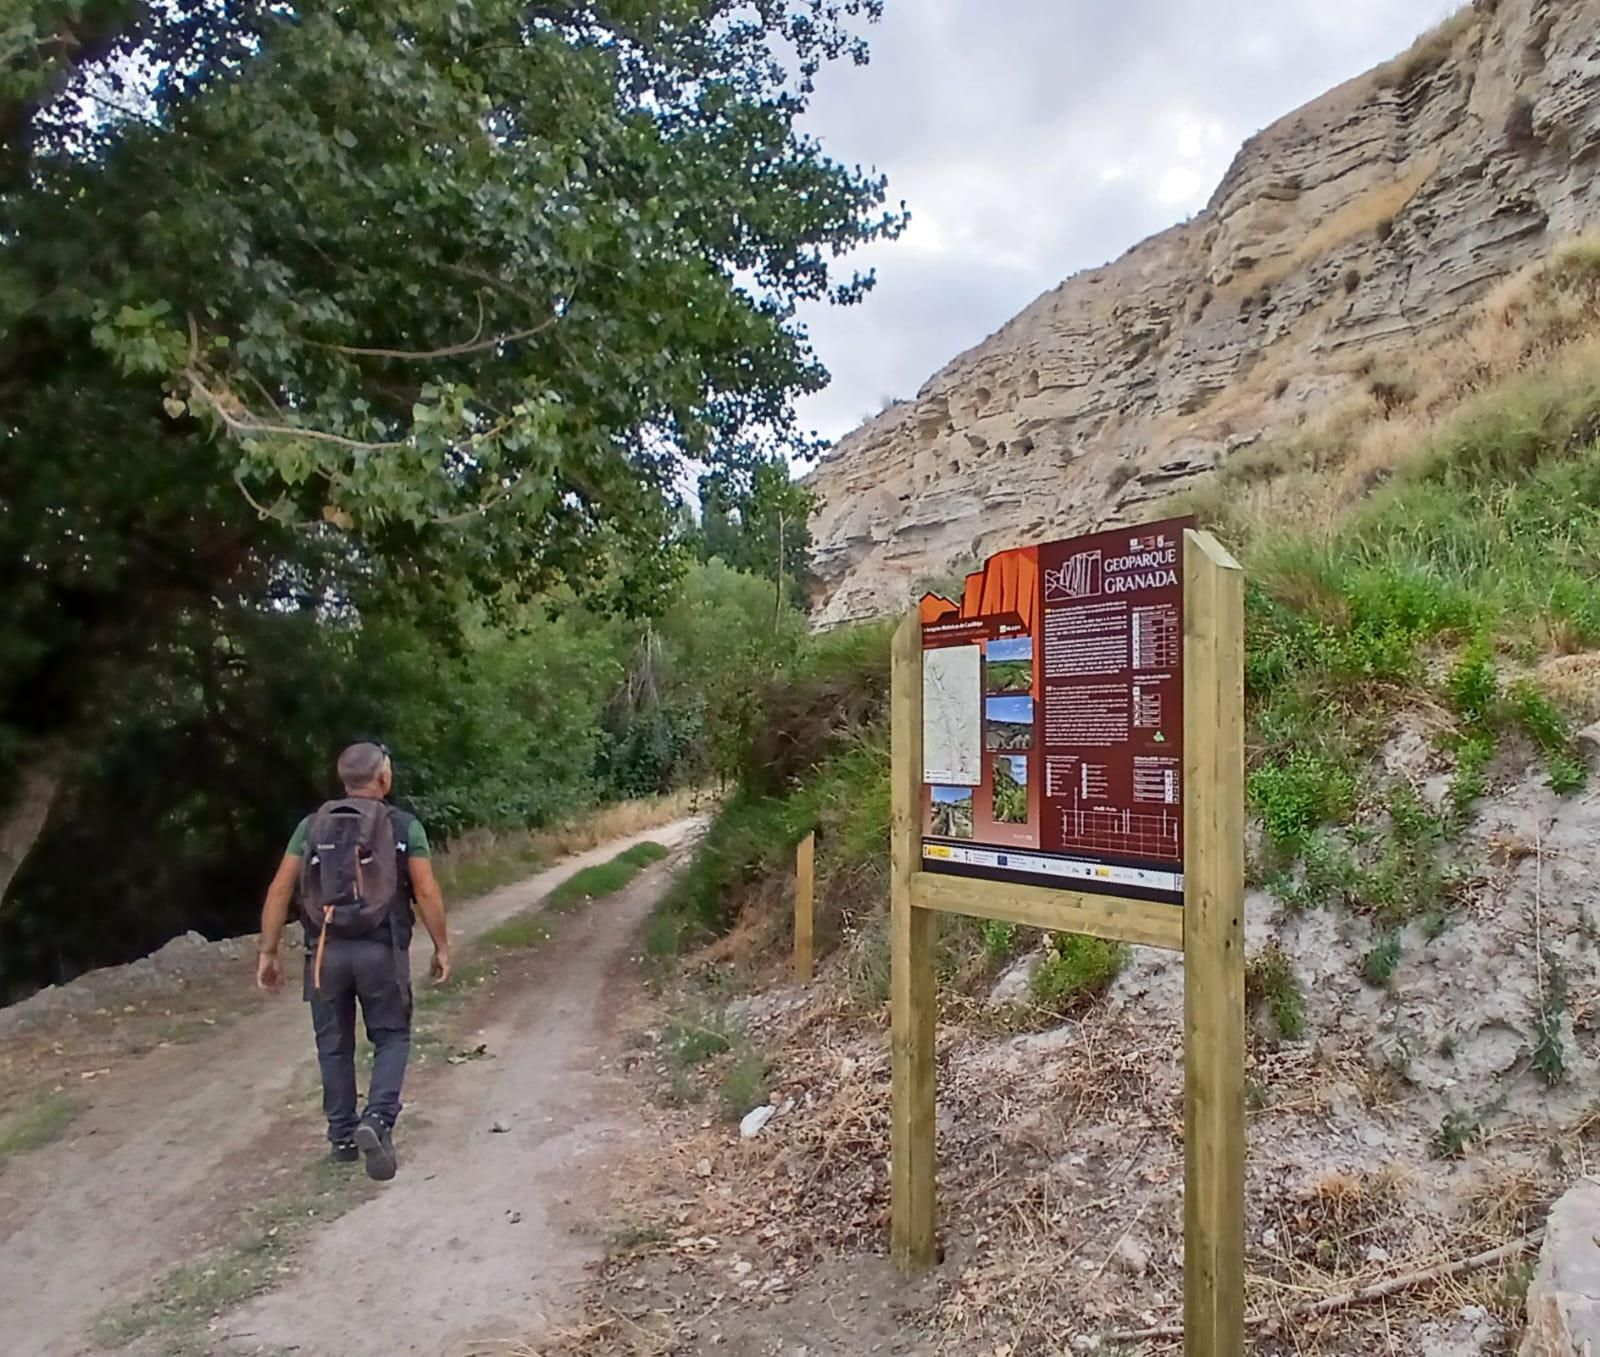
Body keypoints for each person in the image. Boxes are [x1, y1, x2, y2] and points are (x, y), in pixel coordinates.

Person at [255, 741, 450, 1180]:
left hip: (324, 953)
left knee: (334, 1045)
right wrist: (441, 945)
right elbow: (425, 890)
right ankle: (377, 1120)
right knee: (392, 1037)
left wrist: (268, 951)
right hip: (381, 951)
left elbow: (281, 888)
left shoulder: (311, 827)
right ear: (383, 778)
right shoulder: (403, 826)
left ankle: (342, 1137)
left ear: (344, 780)